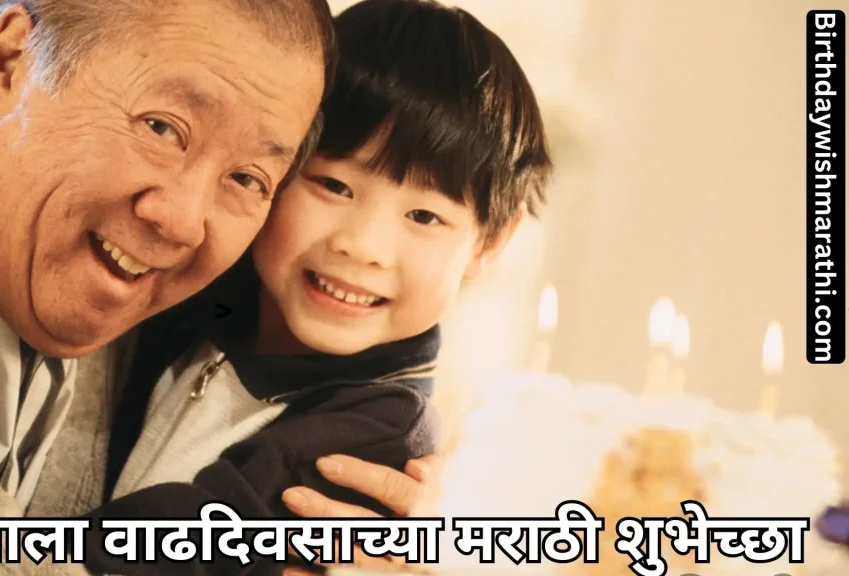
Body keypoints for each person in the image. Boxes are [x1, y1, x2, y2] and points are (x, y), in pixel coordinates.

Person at [0, 0, 332, 572]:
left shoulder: (154, 336)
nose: (185, 223)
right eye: (161, 127)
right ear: (11, 62)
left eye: (246, 178)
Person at [82, 0, 552, 573]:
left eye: (424, 217)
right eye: (334, 186)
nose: (363, 245)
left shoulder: (377, 442)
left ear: (489, 243)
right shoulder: (198, 294)